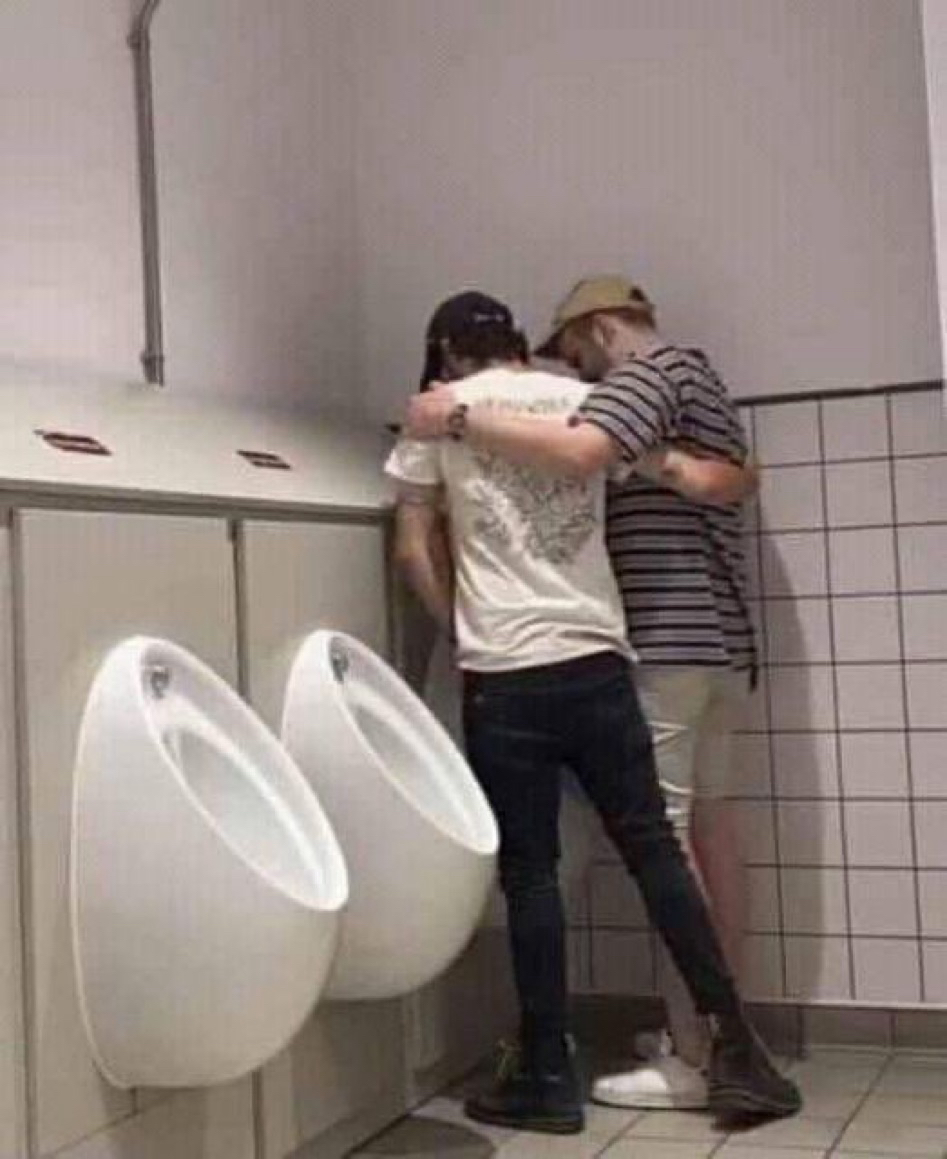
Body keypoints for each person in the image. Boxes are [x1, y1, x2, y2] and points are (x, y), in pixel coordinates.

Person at [387, 290, 799, 1136]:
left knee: (531, 873)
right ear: (516, 342)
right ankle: (734, 1045)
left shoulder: (436, 413)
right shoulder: (584, 400)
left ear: (447, 353)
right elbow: (687, 473)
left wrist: (460, 626)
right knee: (655, 849)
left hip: (505, 670)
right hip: (598, 658)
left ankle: (545, 1073)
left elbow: (412, 546)